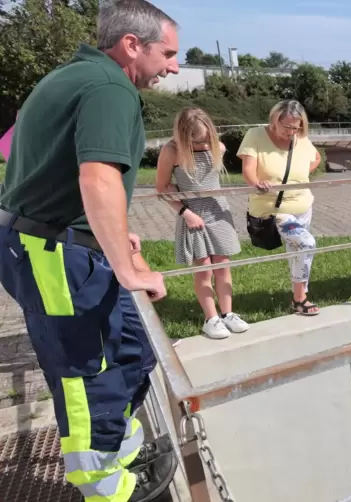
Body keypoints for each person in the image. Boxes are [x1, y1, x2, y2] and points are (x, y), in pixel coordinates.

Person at [0, 1, 179, 501]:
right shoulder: (108, 88)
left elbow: (29, 156)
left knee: (130, 350)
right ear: (131, 46)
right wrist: (127, 267)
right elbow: (96, 175)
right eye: (167, 53)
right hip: (54, 252)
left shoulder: (77, 76)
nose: (174, 66)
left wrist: (110, 234)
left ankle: (122, 452)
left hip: (63, 242)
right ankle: (108, 489)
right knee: (85, 372)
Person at [156, 108, 248, 339]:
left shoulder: (218, 146)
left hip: (219, 211)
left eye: (206, 138)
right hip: (193, 214)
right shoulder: (171, 151)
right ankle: (211, 318)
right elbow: (162, 188)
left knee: (223, 266)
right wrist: (185, 213)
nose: (202, 144)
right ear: (182, 136)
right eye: (196, 141)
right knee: (204, 269)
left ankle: (227, 314)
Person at [237, 100, 322, 315]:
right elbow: (248, 169)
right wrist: (257, 182)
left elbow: (316, 157)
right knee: (306, 244)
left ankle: (298, 299)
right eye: (288, 126)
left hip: (303, 205)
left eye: (297, 127)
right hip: (275, 210)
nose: (292, 132)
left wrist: (300, 175)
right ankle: (301, 299)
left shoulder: (301, 138)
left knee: (298, 252)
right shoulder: (256, 135)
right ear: (274, 120)